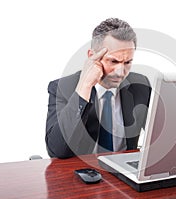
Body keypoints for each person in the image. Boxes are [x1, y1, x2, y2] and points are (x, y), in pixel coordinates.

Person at [45, 18, 152, 158]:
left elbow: (158, 133)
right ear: (92, 56)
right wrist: (85, 87)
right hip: (84, 171)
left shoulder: (140, 84)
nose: (120, 72)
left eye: (127, 62)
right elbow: (57, 150)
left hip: (124, 171)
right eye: (113, 61)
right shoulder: (62, 88)